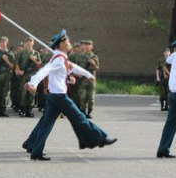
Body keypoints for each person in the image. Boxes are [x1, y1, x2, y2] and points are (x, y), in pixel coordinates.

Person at [22, 29, 117, 161]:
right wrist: (33, 82)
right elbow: (45, 70)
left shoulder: (61, 58)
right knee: (79, 118)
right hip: (59, 97)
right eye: (66, 40)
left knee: (46, 123)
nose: (69, 42)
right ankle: (100, 138)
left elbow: (71, 68)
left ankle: (34, 148)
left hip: (54, 96)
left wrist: (87, 75)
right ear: (60, 44)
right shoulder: (58, 59)